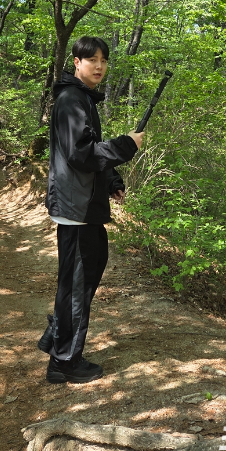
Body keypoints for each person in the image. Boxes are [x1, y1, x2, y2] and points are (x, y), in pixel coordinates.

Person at [38, 36, 144, 384]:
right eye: (91, 59)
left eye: (103, 60)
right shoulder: (71, 99)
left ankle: (58, 342)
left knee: (82, 276)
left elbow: (89, 151)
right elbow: (80, 154)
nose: (99, 66)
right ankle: (65, 362)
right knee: (77, 285)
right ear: (76, 62)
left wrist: (112, 179)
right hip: (77, 208)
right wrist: (127, 144)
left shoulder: (81, 98)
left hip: (83, 206)